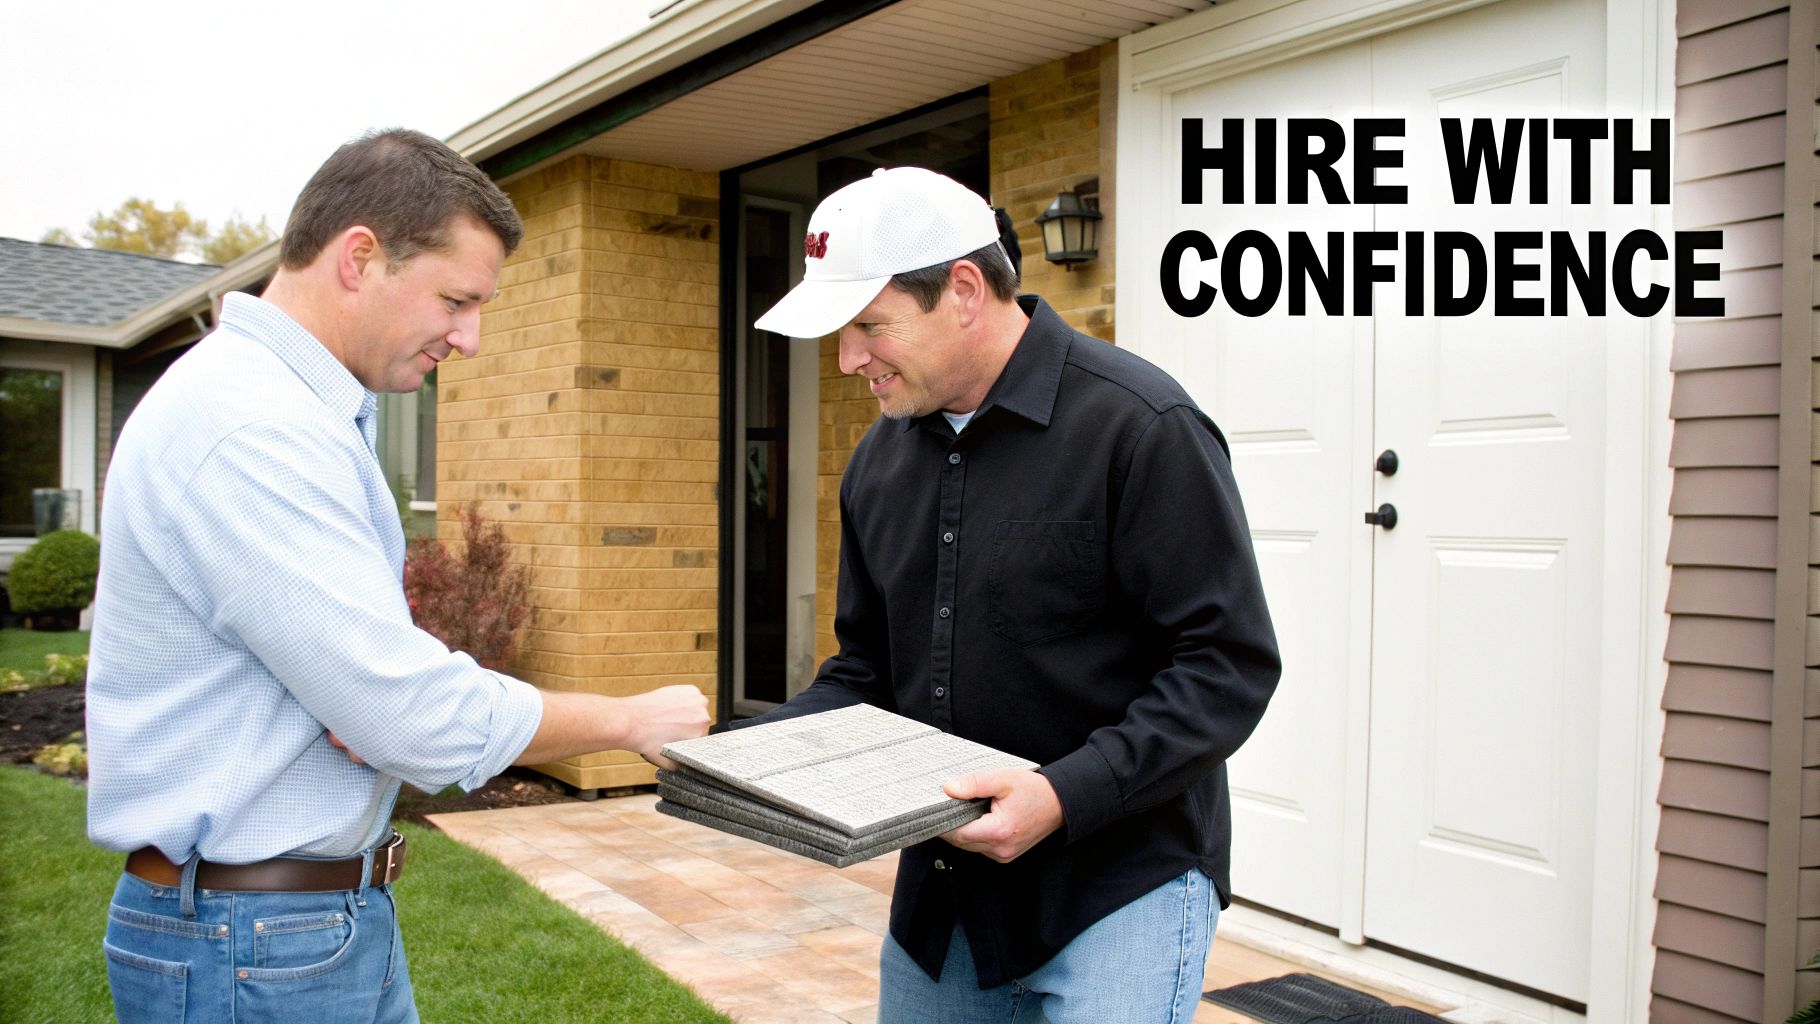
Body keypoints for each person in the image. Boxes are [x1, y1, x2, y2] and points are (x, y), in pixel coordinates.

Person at [85, 128, 709, 1024]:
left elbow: (369, 695)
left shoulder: (288, 408)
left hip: (286, 928)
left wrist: (373, 696)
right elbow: (408, 715)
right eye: (456, 300)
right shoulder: (254, 430)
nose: (471, 339)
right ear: (359, 258)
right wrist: (630, 720)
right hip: (251, 942)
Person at [749, 167, 1280, 1023]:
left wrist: (1063, 794)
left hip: (1119, 881)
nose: (848, 360)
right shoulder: (877, 464)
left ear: (964, 290)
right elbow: (866, 672)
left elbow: (1226, 667)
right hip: (948, 897)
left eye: (869, 326)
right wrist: (741, 756)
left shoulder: (1141, 427)